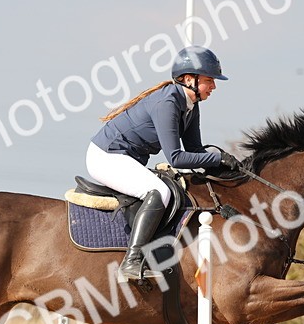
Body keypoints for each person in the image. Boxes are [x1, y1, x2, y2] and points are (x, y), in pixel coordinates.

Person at [87, 45, 243, 282]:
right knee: (159, 191)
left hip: (126, 158)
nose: (214, 86)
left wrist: (221, 161)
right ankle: (132, 261)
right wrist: (217, 157)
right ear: (189, 79)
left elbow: (194, 150)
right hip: (106, 157)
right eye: (210, 80)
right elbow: (177, 158)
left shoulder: (191, 105)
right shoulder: (168, 102)